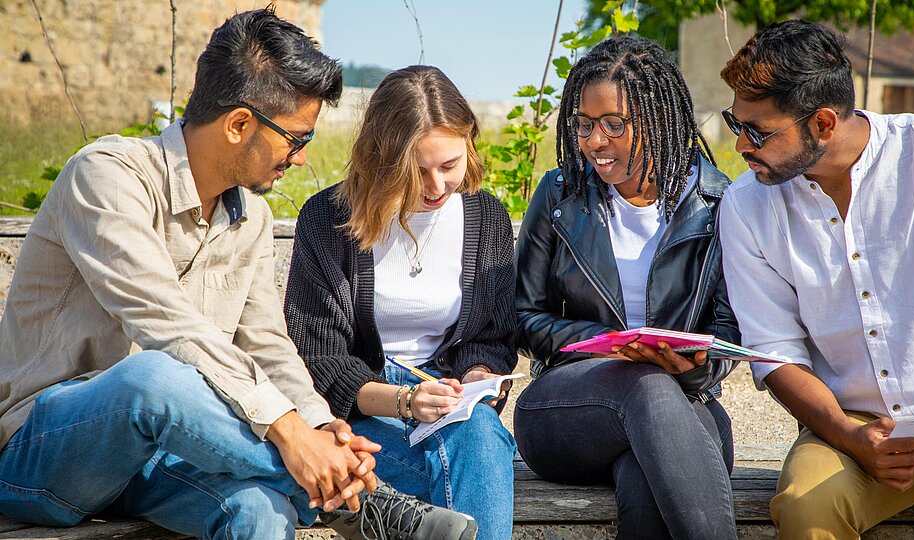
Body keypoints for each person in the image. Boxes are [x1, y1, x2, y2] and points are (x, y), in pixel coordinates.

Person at [0, 8, 475, 540]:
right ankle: (362, 504)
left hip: (161, 459)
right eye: (296, 139)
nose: (298, 159)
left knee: (259, 510)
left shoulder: (250, 219)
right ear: (239, 124)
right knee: (152, 377)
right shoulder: (107, 176)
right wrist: (293, 436)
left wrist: (320, 427)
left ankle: (346, 491)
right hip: (42, 453)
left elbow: (268, 347)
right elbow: (170, 327)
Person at [718, 19, 914, 539]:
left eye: (757, 131)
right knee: (808, 509)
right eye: (735, 123)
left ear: (824, 124)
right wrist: (851, 436)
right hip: (847, 424)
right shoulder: (746, 205)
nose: (740, 145)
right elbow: (774, 349)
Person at [512, 36, 739, 539]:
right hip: (566, 412)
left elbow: (727, 329)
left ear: (658, 117)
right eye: (584, 125)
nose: (595, 141)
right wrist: (607, 344)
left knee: (646, 476)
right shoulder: (559, 195)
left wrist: (699, 365)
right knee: (645, 385)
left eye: (613, 124)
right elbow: (522, 316)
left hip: (684, 406)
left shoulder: (719, 203)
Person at [284, 65, 518, 540]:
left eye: (449, 165)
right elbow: (319, 361)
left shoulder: (486, 216)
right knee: (477, 451)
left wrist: (477, 376)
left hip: (451, 408)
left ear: (469, 143)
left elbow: (490, 338)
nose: (435, 188)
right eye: (417, 170)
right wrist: (406, 401)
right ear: (383, 160)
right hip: (363, 415)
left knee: (478, 436)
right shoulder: (329, 219)